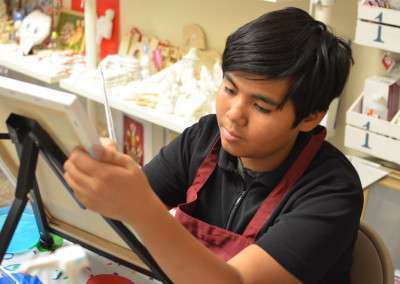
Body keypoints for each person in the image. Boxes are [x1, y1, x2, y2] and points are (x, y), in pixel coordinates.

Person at [63, 7, 363, 284]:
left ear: (311, 118)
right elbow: (115, 218)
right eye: (230, 89)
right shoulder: (204, 139)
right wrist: (102, 179)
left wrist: (141, 208)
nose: (233, 114)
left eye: (261, 107)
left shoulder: (332, 190)